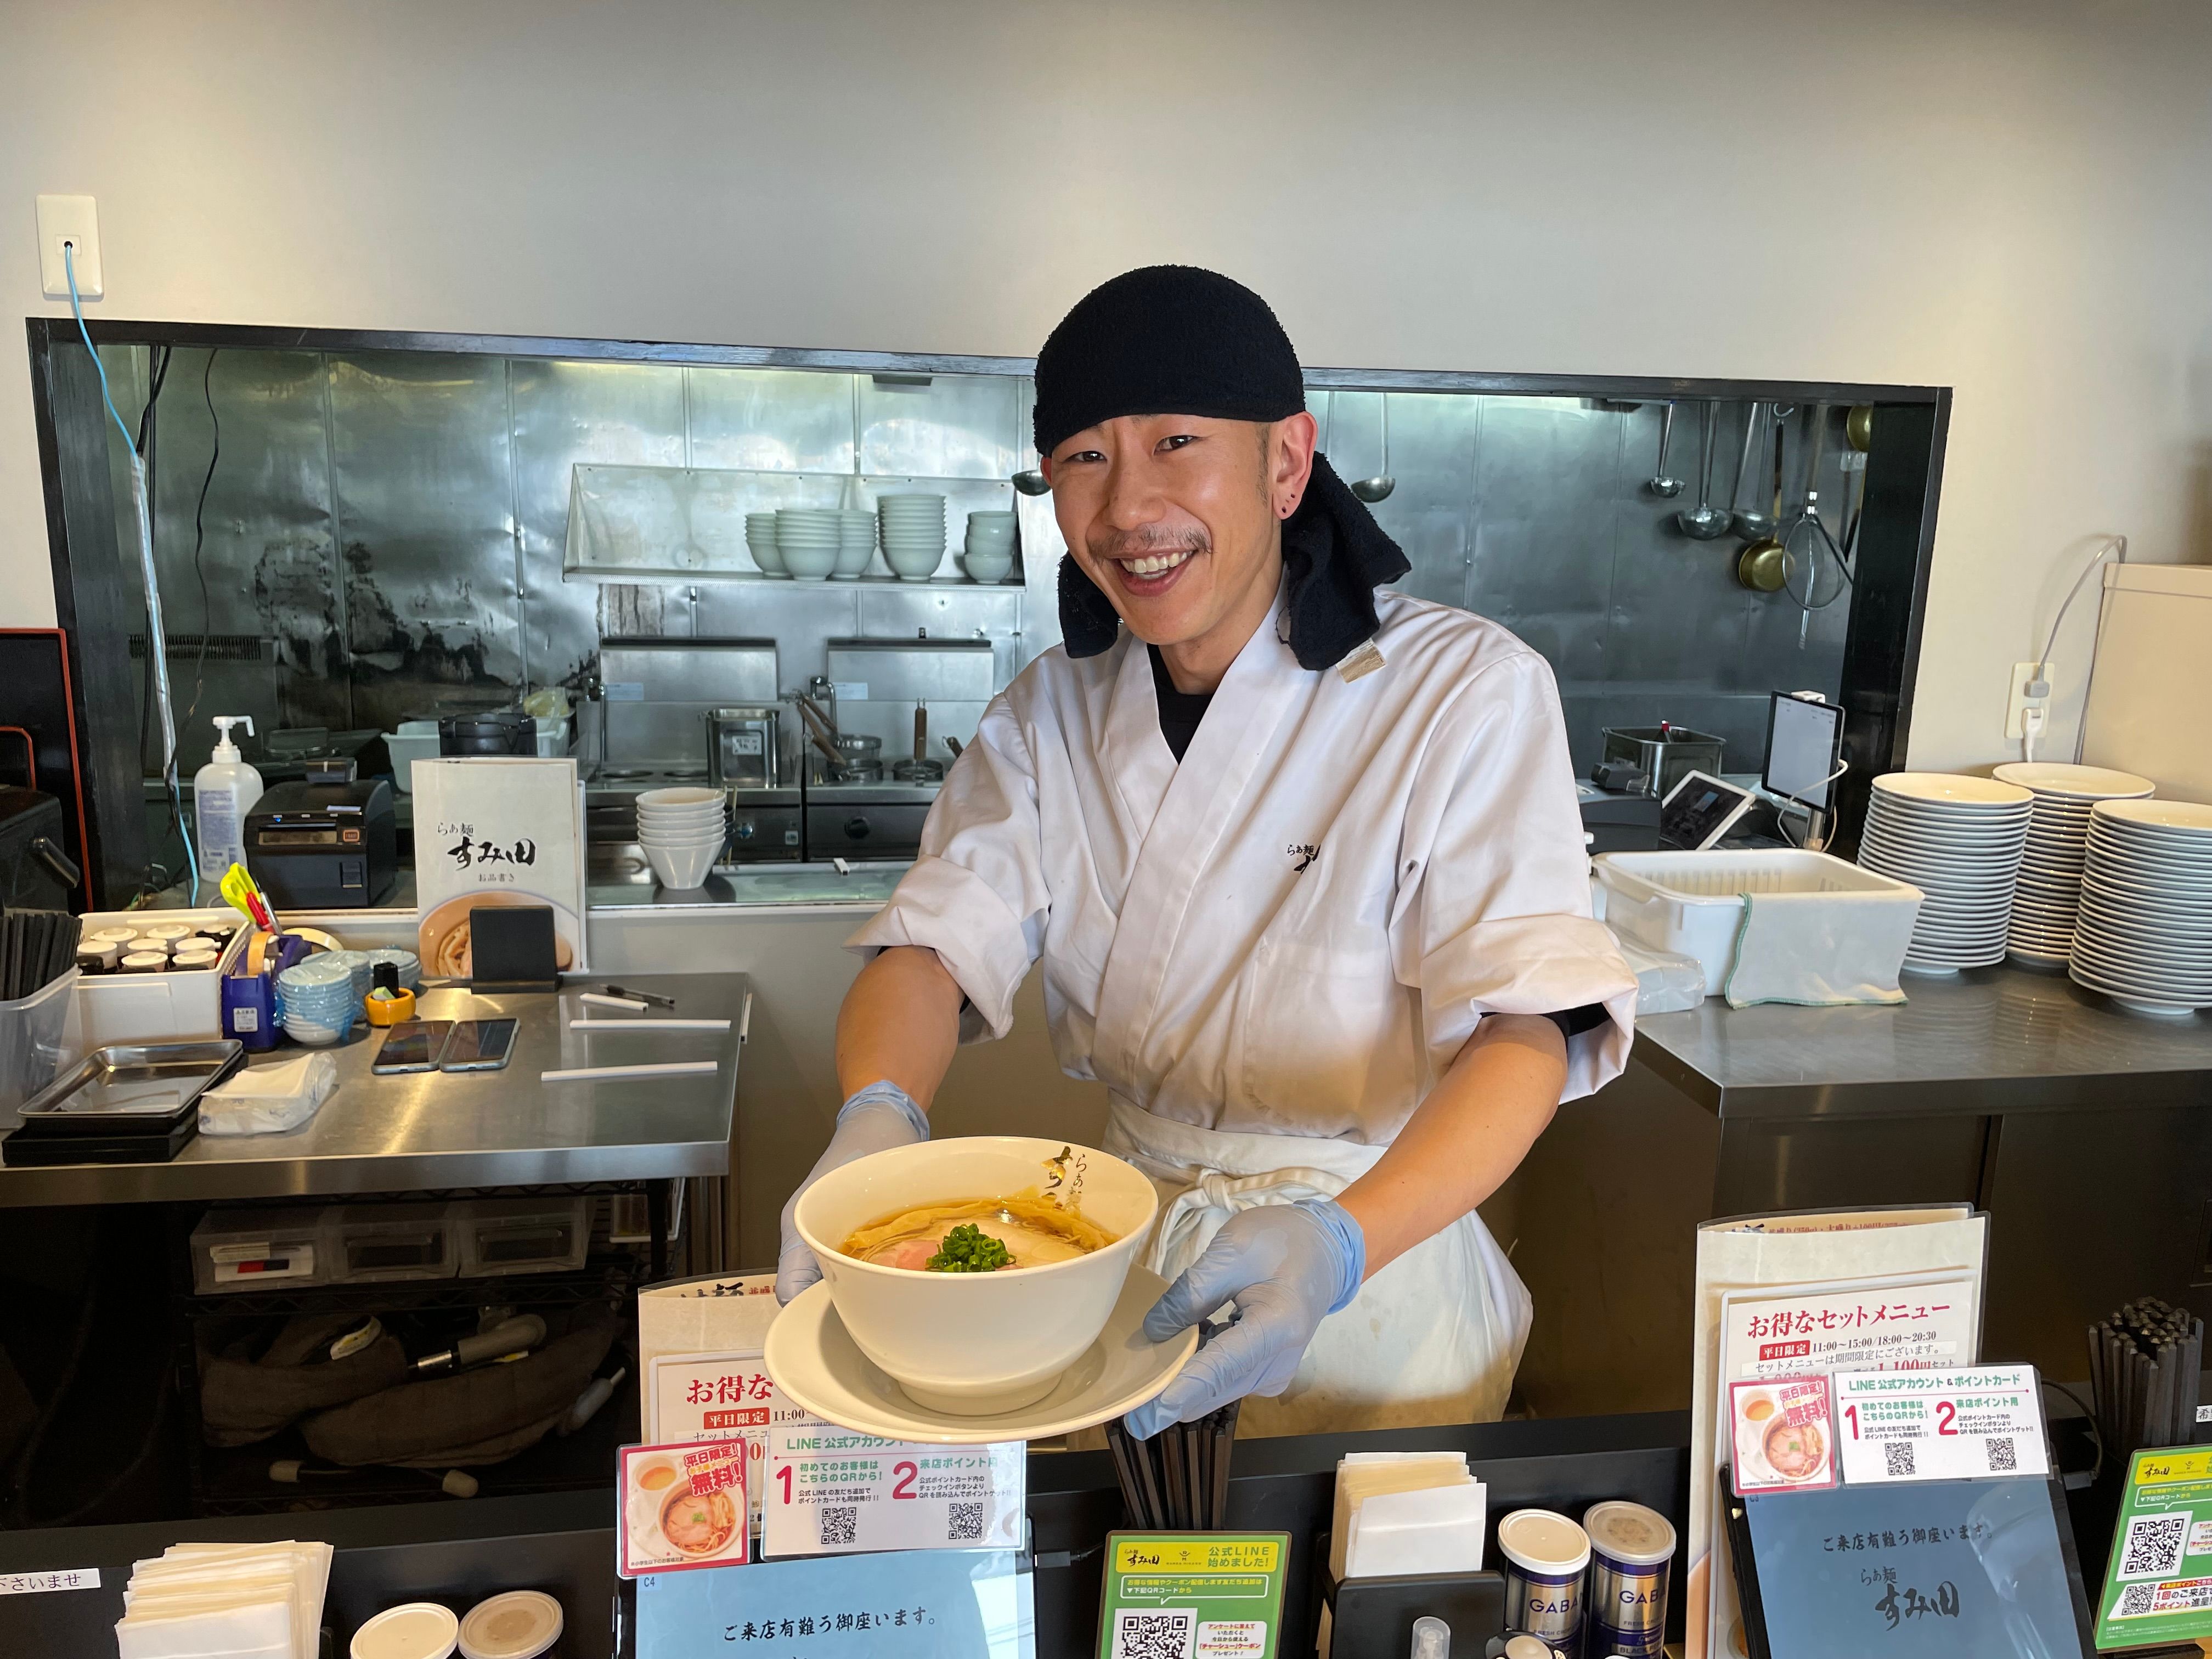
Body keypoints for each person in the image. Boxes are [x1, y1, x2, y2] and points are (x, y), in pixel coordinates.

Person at [777, 266, 1635, 1438]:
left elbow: (1528, 1029)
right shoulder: (1048, 714)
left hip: (1378, 1274)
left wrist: (1340, 1246)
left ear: (1288, 465)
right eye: (1085, 457)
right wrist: (876, 1115)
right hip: (1121, 1270)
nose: (1129, 507)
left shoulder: (1464, 692)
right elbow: (931, 947)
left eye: (1177, 442)